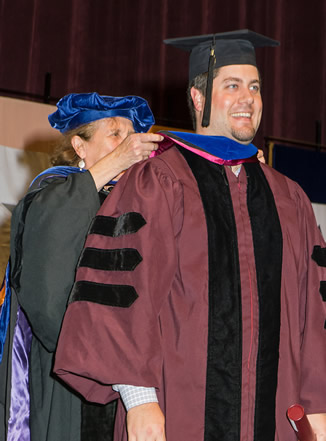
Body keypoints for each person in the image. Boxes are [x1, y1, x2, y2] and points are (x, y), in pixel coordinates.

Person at [53, 31, 326, 441]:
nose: (247, 98)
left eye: (254, 87)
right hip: (177, 414)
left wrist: (317, 404)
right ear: (198, 99)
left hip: (276, 419)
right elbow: (123, 292)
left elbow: (314, 313)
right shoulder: (158, 181)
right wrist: (139, 400)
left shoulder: (290, 199)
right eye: (231, 86)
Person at [0, 92, 163, 441]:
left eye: (130, 135)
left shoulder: (135, 204)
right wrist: (103, 358)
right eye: (115, 133)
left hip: (135, 377)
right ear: (79, 145)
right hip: (71, 375)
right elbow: (47, 302)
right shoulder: (52, 194)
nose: (128, 143)